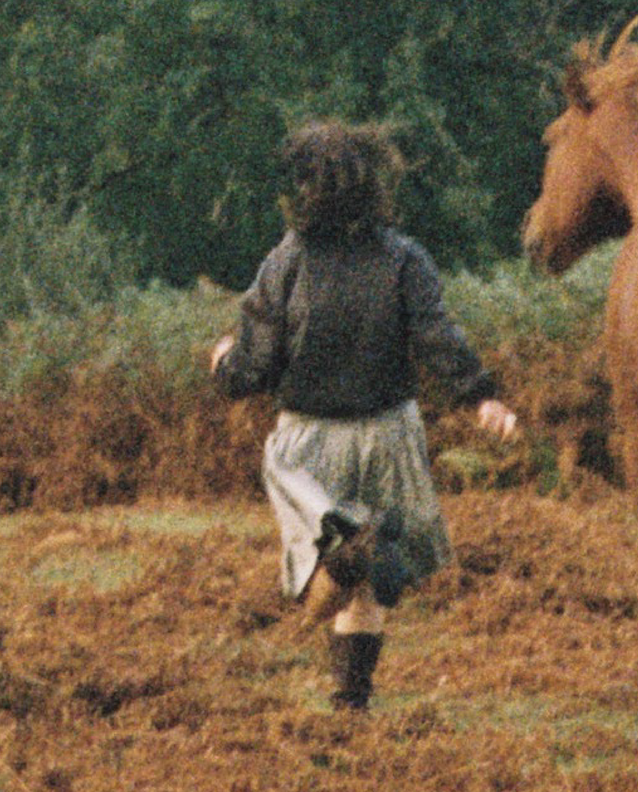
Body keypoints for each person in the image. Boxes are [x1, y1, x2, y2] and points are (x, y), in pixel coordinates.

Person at [211, 121, 519, 712]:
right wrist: (482, 396)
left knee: (319, 588)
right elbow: (437, 337)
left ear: (305, 189)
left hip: (308, 443)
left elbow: (254, 367)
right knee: (369, 584)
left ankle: (353, 555)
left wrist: (224, 362)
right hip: (390, 435)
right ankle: (351, 704)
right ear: (374, 183)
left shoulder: (286, 261)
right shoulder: (406, 258)